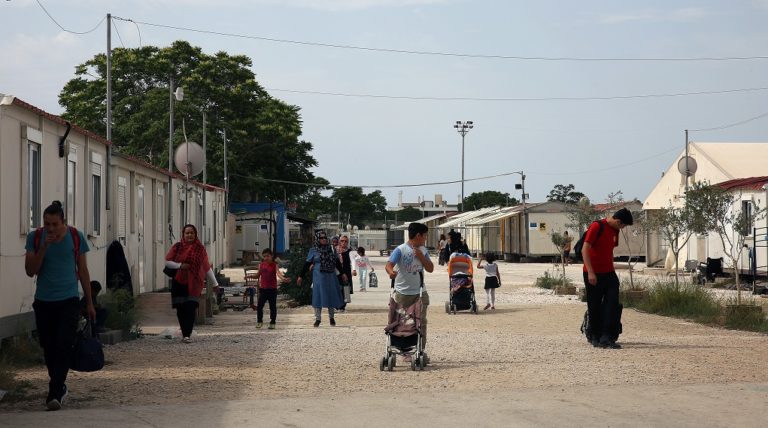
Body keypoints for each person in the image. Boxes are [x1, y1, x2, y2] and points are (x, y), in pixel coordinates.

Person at [24, 200, 95, 411]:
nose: (51, 228)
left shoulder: (75, 236)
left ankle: (54, 392)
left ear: (63, 221)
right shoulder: (35, 238)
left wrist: (90, 302)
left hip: (69, 300)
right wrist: (44, 246)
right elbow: (30, 271)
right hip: (44, 301)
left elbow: (83, 270)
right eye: (47, 224)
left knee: (65, 343)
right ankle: (59, 385)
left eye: (55, 224)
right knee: (49, 346)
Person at [582, 207, 633, 349]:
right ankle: (594, 335)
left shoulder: (615, 230)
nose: (622, 228)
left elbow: (608, 250)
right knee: (594, 305)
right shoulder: (597, 226)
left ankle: (607, 336)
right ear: (618, 221)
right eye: (622, 225)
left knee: (612, 303)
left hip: (609, 273)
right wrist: (591, 272)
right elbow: (584, 249)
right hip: (592, 273)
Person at [385, 222, 434, 362]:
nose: (425, 239)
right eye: (424, 236)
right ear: (418, 235)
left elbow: (430, 268)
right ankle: (404, 350)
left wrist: (420, 256)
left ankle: (420, 350)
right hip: (402, 292)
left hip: (420, 292)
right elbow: (389, 265)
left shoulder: (423, 250)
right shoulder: (400, 249)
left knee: (421, 322)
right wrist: (391, 273)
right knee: (401, 322)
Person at [165, 224, 218, 343]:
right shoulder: (177, 247)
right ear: (183, 235)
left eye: (192, 233)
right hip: (179, 282)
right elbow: (168, 262)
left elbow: (206, 267)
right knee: (181, 309)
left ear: (195, 235)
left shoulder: (200, 249)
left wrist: (215, 283)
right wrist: (180, 265)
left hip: (194, 283)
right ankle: (185, 332)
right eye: (187, 233)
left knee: (191, 307)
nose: (189, 235)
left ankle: (187, 334)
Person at [298, 231, 346, 327]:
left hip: (330, 275)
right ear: (317, 239)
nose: (324, 239)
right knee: (318, 296)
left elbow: (337, 262)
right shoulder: (313, 250)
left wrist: (343, 273)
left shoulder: (331, 249)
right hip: (319, 276)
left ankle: (331, 317)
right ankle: (318, 319)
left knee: (331, 295)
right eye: (321, 238)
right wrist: (301, 276)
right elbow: (307, 263)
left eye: (325, 237)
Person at [251, 248, 288, 329]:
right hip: (263, 289)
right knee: (260, 306)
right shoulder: (261, 265)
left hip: (272, 289)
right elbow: (257, 275)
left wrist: (283, 279)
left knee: (272, 307)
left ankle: (272, 322)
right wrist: (250, 276)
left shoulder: (275, 265)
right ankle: (259, 321)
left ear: (271, 256)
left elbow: (278, 274)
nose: (266, 258)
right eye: (264, 256)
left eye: (267, 256)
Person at [336, 235, 354, 310]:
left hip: (347, 272)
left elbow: (353, 261)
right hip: (337, 272)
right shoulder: (335, 250)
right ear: (339, 241)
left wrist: (354, 269)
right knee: (337, 288)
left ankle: (343, 305)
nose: (344, 242)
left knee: (346, 288)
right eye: (342, 241)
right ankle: (337, 304)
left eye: (346, 241)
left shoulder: (350, 251)